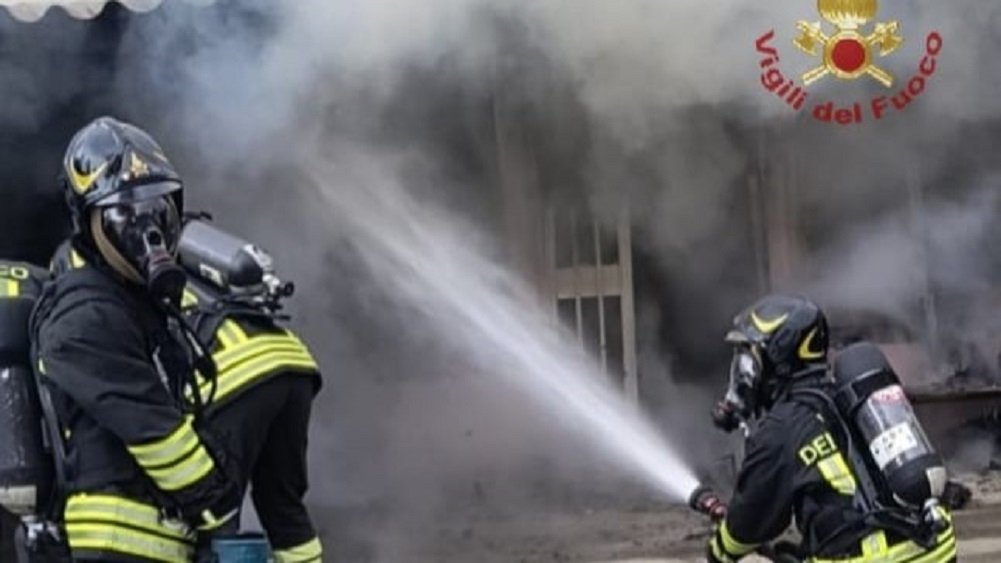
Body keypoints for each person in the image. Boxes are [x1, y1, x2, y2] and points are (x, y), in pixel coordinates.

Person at [30, 116, 240, 562]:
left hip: (162, 543)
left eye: (157, 207)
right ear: (89, 224)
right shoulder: (83, 319)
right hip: (114, 550)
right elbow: (159, 436)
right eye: (123, 213)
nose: (147, 230)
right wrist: (221, 503)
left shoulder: (138, 307)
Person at [701, 294, 956, 563]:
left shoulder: (781, 428)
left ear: (776, 357)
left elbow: (747, 525)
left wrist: (720, 549)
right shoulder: (851, 395)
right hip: (936, 548)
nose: (744, 374)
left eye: (748, 361)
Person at [179, 265, 323, 562]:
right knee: (284, 507)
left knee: (212, 513)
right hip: (291, 359)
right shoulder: (174, 271)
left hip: (236, 372)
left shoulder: (106, 280)